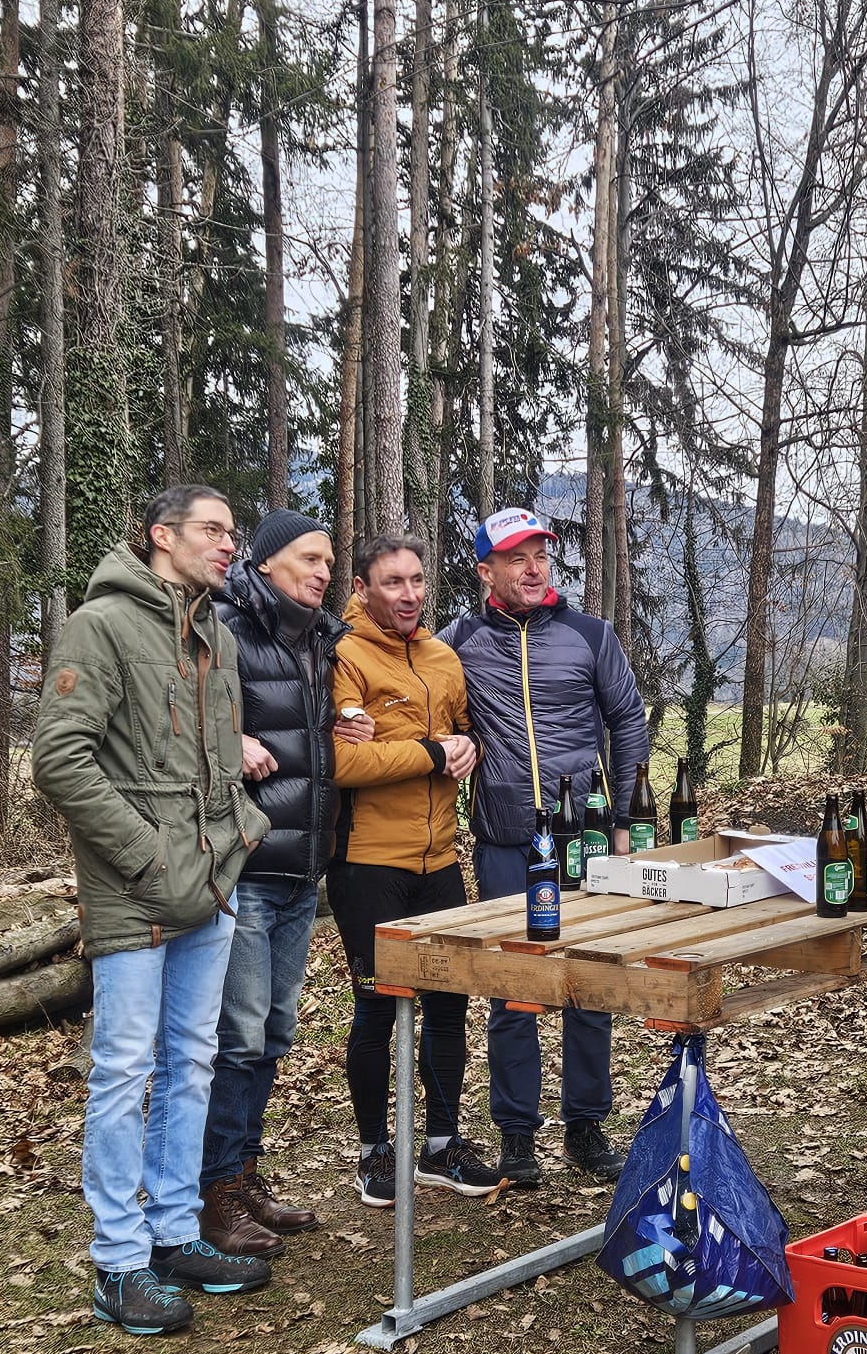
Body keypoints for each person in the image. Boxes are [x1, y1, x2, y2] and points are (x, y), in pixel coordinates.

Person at [32, 485, 274, 1336]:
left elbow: (218, 756)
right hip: (134, 887)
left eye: (232, 532)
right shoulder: (99, 625)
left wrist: (236, 833)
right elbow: (60, 759)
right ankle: (117, 1261)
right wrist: (141, 851)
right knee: (124, 1070)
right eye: (213, 529)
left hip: (210, 880)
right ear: (159, 536)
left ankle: (174, 1236)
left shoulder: (214, 631)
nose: (227, 544)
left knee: (192, 1060)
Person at [436, 508, 648, 1187]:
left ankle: (586, 1126)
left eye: (542, 556)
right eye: (517, 558)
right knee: (513, 988)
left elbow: (627, 721)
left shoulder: (591, 634)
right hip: (504, 837)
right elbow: (405, 677)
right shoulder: (458, 641)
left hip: (583, 837)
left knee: (590, 977)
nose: (533, 569)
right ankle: (517, 1136)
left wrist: (621, 820)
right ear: (486, 570)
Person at [197, 510, 373, 1257]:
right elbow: (179, 712)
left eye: (330, 561)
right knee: (236, 1039)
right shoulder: (225, 627)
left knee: (271, 1034)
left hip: (304, 872)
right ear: (266, 563)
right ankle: (213, 1195)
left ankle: (244, 1174)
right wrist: (226, 739)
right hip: (245, 866)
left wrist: (351, 729)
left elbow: (311, 742)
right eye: (310, 557)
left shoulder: (319, 640)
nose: (323, 570)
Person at [329, 533, 500, 1202]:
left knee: (450, 1002)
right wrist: (431, 753)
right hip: (369, 862)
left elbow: (465, 736)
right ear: (365, 589)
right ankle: (374, 1151)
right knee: (377, 1005)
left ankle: (440, 1146)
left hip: (439, 860)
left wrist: (469, 748)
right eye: (393, 582)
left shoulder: (441, 656)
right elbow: (345, 764)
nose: (409, 594)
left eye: (418, 581)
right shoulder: (345, 656)